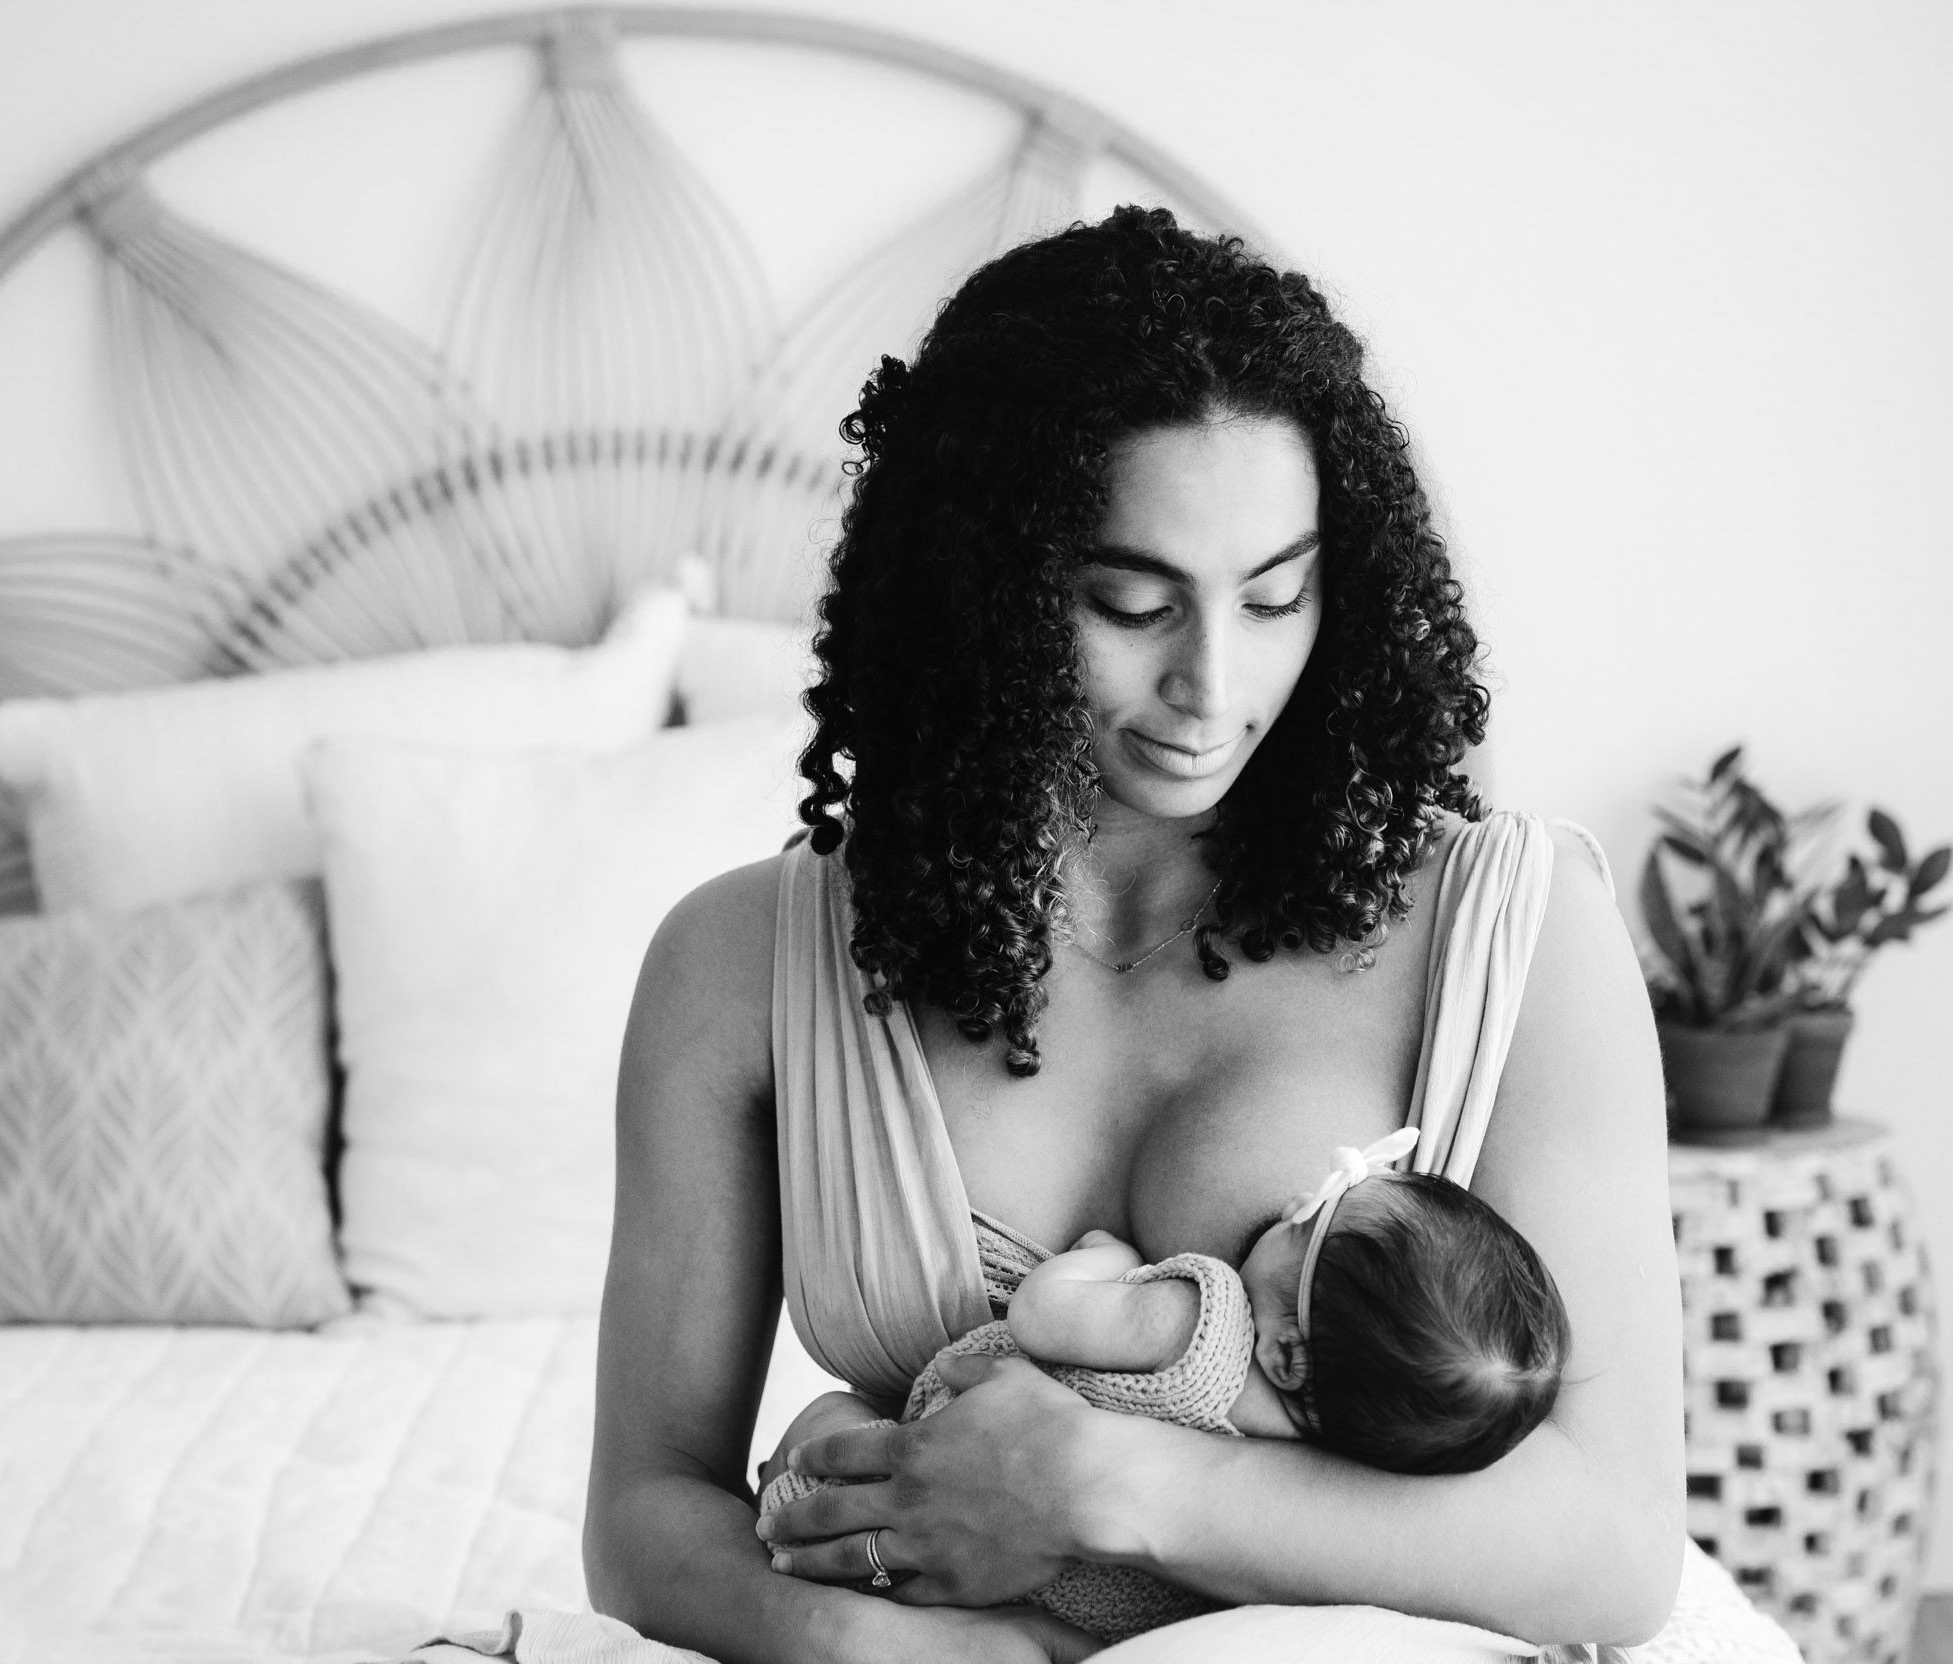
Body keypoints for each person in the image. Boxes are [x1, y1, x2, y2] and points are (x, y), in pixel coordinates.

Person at [586, 205, 1693, 1663]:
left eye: (1277, 594)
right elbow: (646, 1517)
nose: (1213, 683)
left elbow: (1615, 1551)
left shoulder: (1514, 932)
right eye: (1130, 599)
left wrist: (1116, 1482)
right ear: (982, 586)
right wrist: (892, 1651)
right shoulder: (739, 969)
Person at [751, 1125, 1575, 1644]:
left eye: (1309, 1221)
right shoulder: (1317, 1470)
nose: (1290, 1210)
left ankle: (787, 1496)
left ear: (1287, 1352)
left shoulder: (1205, 1326)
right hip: (1098, 1611)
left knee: (832, 1422)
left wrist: (1109, 1258)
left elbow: (1044, 1316)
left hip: (928, 1455)